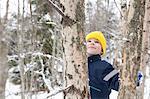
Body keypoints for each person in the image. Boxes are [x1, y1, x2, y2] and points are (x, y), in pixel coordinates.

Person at [86, 31, 120, 99]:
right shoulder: (77, 65)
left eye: (97, 42)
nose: (92, 43)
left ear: (102, 50)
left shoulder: (105, 67)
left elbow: (116, 82)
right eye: (89, 41)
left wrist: (134, 78)